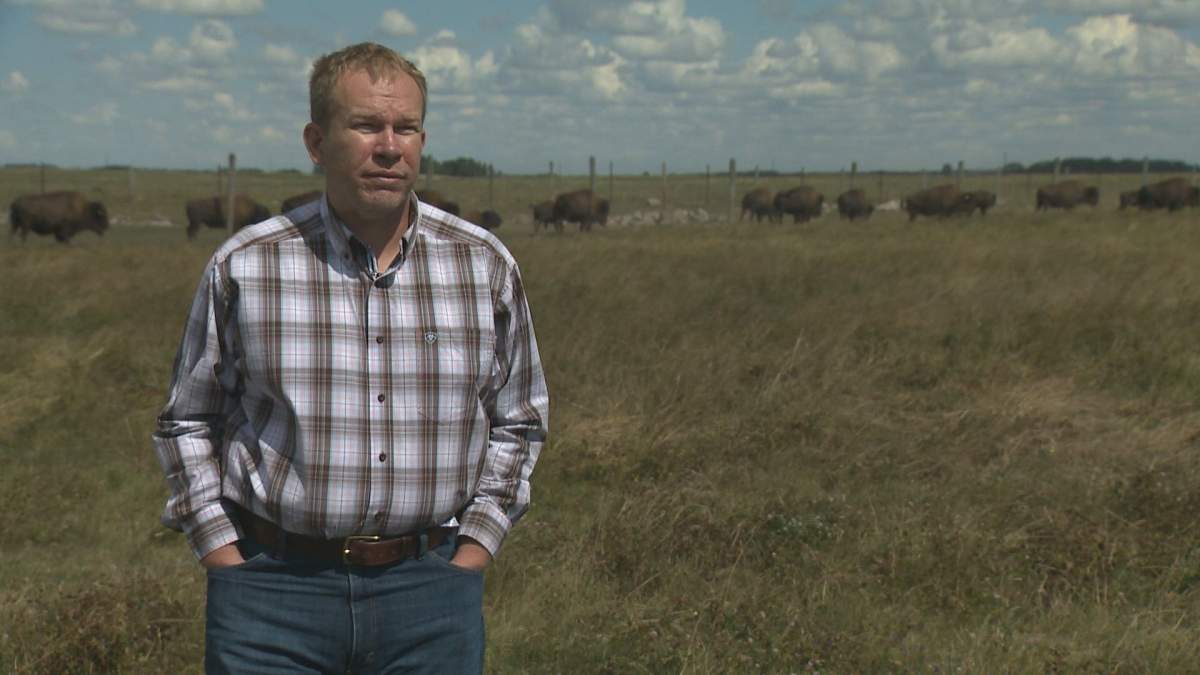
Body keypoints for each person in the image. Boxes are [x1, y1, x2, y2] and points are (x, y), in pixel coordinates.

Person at [152, 42, 549, 674]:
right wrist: (224, 557)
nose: (390, 146)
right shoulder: (248, 266)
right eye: (366, 125)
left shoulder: (483, 265)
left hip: (430, 593)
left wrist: (473, 551)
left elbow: (520, 420)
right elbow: (186, 422)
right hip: (272, 595)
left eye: (407, 127)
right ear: (316, 142)